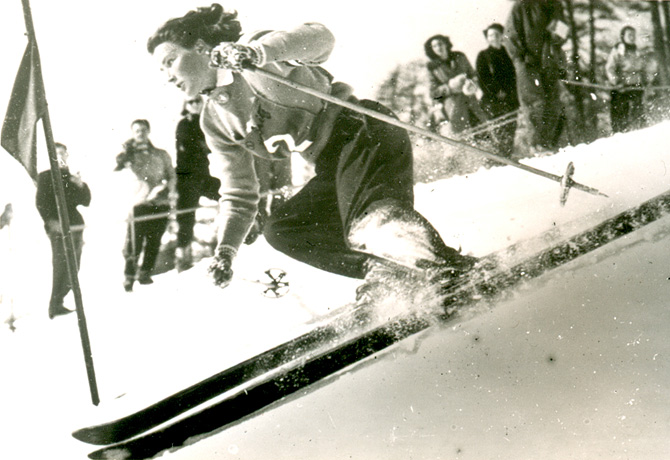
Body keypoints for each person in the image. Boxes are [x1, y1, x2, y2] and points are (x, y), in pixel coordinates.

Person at [146, 4, 476, 307]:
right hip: (331, 166)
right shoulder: (214, 119)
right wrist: (226, 251)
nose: (167, 76)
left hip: (363, 133)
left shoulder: (253, 56)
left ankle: (437, 268)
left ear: (202, 49)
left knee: (373, 222)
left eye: (169, 61)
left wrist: (256, 52)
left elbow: (321, 39)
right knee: (285, 229)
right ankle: (391, 270)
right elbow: (238, 191)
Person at [115, 119, 176, 292]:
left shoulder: (160, 154)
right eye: (137, 131)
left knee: (154, 240)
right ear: (133, 133)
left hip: (159, 202)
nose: (140, 133)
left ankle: (145, 273)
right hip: (139, 203)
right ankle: (129, 276)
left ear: (148, 131)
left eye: (143, 130)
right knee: (134, 241)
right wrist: (127, 152)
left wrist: (166, 189)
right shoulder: (129, 155)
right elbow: (118, 166)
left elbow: (171, 175)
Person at [35, 143, 91, 319]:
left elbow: (86, 201)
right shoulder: (45, 177)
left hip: (74, 225)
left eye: (62, 154)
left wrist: (81, 185)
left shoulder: (70, 177)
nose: (59, 157)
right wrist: (51, 222)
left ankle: (61, 300)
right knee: (60, 263)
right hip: (58, 227)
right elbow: (41, 203)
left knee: (74, 264)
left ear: (67, 155)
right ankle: (55, 304)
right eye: (55, 154)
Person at [504, 0, 568, 153]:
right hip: (527, 62)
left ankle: (549, 143)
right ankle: (536, 144)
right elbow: (510, 35)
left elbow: (563, 31)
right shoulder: (521, 5)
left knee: (552, 101)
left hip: (549, 60)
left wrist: (556, 40)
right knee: (534, 102)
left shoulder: (555, 5)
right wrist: (520, 59)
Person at [175, 96, 221, 271]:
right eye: (191, 102)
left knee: (227, 192)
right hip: (186, 177)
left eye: (197, 101)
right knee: (186, 217)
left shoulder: (206, 121)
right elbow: (194, 145)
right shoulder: (185, 124)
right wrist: (207, 145)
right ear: (186, 105)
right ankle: (183, 258)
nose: (195, 105)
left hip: (202, 175)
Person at [424, 34, 488, 135]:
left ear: (446, 44)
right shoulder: (432, 67)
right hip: (454, 108)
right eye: (434, 46)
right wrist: (450, 87)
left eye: (440, 44)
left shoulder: (460, 57)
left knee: (484, 130)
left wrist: (471, 82)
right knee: (462, 136)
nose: (438, 48)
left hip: (471, 101)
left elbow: (473, 74)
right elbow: (433, 93)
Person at [476, 23, 519, 157]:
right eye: (490, 35)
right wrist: (496, 91)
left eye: (496, 34)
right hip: (493, 99)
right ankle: (499, 158)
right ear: (487, 38)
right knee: (498, 129)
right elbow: (482, 78)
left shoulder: (509, 53)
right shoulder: (484, 55)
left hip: (511, 97)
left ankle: (508, 156)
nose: (493, 37)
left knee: (511, 128)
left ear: (502, 36)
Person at [605, 25, 647, 134]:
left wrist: (645, 80)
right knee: (621, 116)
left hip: (636, 86)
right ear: (623, 36)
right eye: (629, 35)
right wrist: (616, 82)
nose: (632, 37)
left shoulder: (637, 51)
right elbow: (610, 68)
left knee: (638, 114)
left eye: (633, 35)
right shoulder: (618, 51)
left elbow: (643, 68)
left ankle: (639, 134)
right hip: (621, 88)